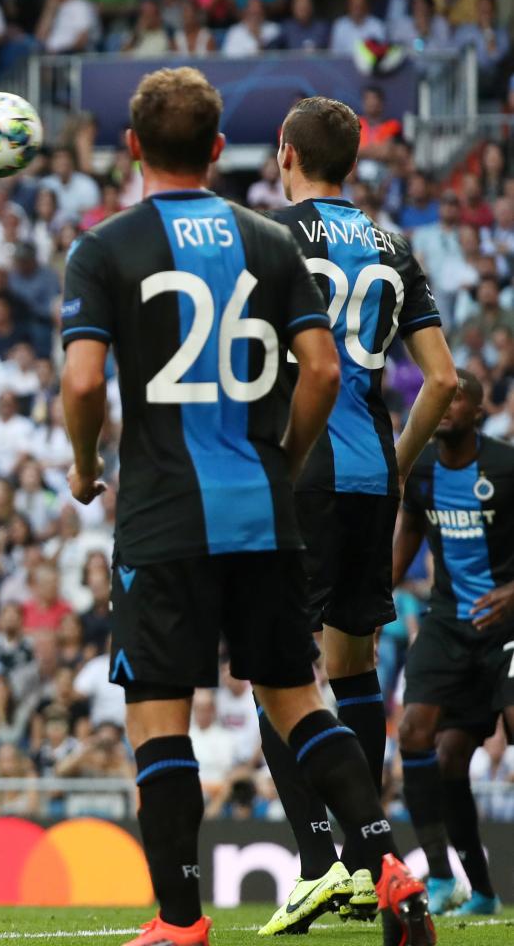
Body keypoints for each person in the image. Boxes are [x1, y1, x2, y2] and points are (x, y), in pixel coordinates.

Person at [59, 68, 433, 946]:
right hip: (266, 505)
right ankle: (387, 868)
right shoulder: (267, 240)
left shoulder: (105, 246)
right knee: (301, 698)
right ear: (221, 150)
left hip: (162, 510)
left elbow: (82, 381)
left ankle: (181, 922)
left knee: (159, 712)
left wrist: (84, 466)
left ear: (133, 146)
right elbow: (328, 369)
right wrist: (283, 459)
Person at [257, 96, 456, 935]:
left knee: (276, 672)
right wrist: (399, 463)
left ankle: (320, 864)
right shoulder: (394, 246)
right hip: (373, 473)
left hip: (297, 470)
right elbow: (442, 382)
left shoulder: (264, 237)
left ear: (286, 153)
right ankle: (365, 861)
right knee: (353, 667)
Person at [393, 371, 514, 918]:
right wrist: (373, 602)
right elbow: (410, 531)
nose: (443, 405)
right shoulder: (419, 470)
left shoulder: (507, 466)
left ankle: (477, 889)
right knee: (427, 744)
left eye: (455, 397)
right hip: (447, 622)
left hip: (507, 624)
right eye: (436, 396)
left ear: (479, 409)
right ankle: (452, 882)